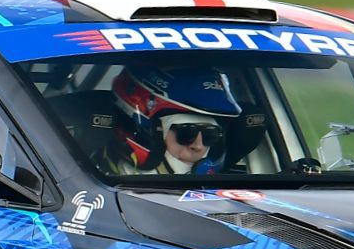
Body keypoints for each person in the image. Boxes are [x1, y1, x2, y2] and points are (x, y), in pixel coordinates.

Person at [95, 65, 243, 176]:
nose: (198, 146)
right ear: (149, 132)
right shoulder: (96, 183)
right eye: (186, 133)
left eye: (210, 135)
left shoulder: (229, 191)